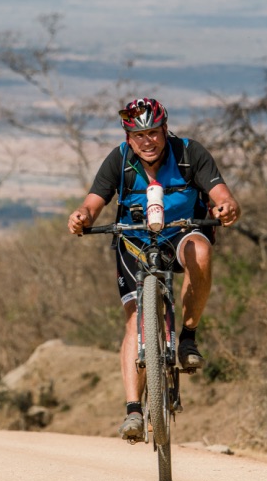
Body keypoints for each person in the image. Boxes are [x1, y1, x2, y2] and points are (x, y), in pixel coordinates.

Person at [67, 97, 240, 442]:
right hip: (134, 241)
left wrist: (226, 206)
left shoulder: (191, 153)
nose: (148, 142)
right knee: (136, 320)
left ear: (165, 130)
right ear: (129, 138)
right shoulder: (120, 159)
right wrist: (82, 217)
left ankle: (187, 339)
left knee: (201, 251)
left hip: (181, 233)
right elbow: (92, 202)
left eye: (154, 133)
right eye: (139, 135)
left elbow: (221, 193)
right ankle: (133, 410)